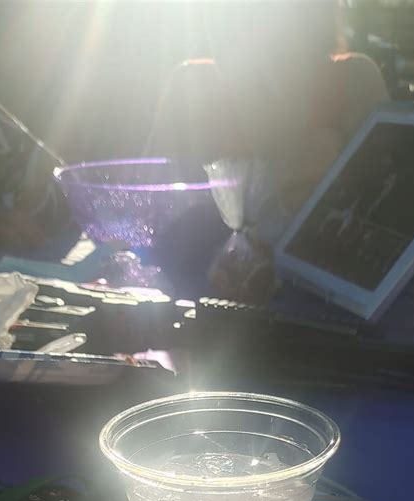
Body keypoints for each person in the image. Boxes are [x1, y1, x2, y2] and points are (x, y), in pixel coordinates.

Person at [147, 2, 389, 300]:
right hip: (196, 312)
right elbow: (147, 217)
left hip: (327, 312)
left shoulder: (353, 84)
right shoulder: (189, 91)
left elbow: (395, 229)